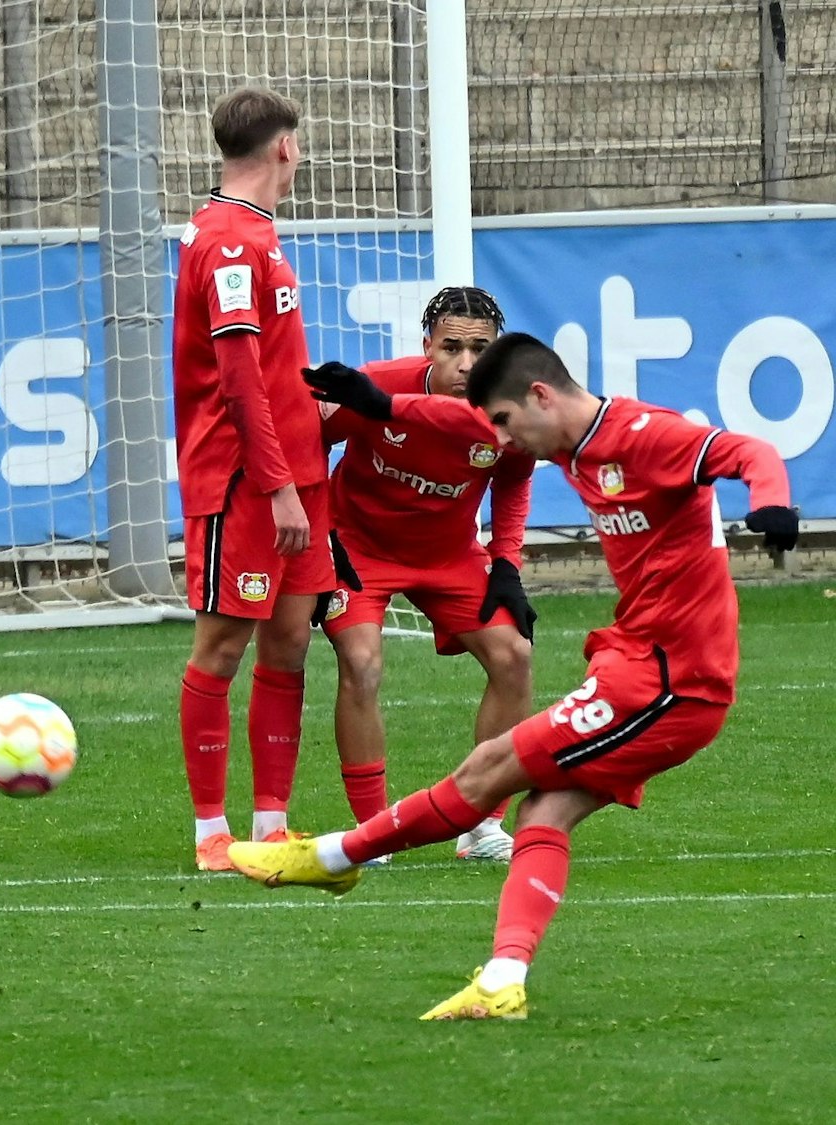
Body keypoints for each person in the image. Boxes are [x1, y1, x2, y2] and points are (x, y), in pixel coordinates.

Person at [228, 333, 798, 1020]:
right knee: (546, 811)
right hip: (637, 662)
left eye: (503, 422)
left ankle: (333, 856)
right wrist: (383, 404)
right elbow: (458, 421)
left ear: (539, 396)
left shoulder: (648, 435)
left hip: (673, 680)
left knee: (492, 766)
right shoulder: (566, 441)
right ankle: (501, 981)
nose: (498, 438)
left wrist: (772, 501)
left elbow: (749, 452)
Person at [170, 87, 336, 871]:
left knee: (291, 640)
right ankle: (211, 831)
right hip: (247, 483)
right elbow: (237, 383)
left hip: (300, 477)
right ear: (285, 149)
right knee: (224, 642)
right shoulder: (230, 244)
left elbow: (269, 371)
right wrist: (276, 486)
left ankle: (271, 824)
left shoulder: (257, 236)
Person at [313, 286, 533, 862]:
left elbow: (513, 481)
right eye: (452, 348)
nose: (466, 365)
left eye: (481, 350)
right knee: (360, 663)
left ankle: (482, 824)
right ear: (427, 346)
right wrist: (322, 537)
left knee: (515, 657)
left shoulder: (510, 406)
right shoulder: (377, 384)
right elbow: (308, 447)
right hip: (358, 549)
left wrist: (506, 562)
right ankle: (372, 831)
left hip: (449, 555)